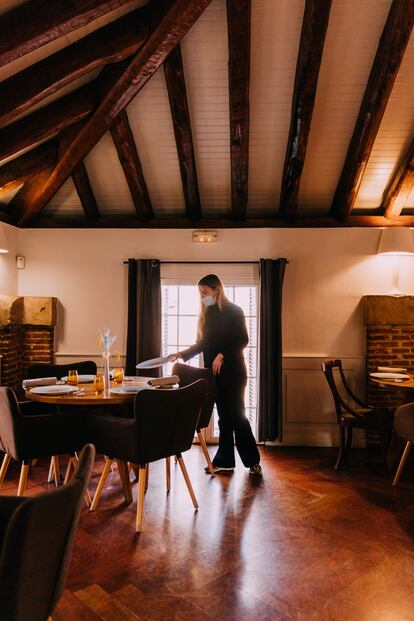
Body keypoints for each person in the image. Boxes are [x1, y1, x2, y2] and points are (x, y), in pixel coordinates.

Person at [169, 274, 261, 475]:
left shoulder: (235, 311)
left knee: (238, 416)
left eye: (205, 292)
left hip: (234, 373)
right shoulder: (207, 314)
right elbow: (202, 343)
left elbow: (242, 339)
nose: (202, 297)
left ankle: (253, 461)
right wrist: (181, 355)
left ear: (216, 290)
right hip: (216, 375)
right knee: (223, 418)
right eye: (200, 293)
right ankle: (225, 461)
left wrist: (222, 354)